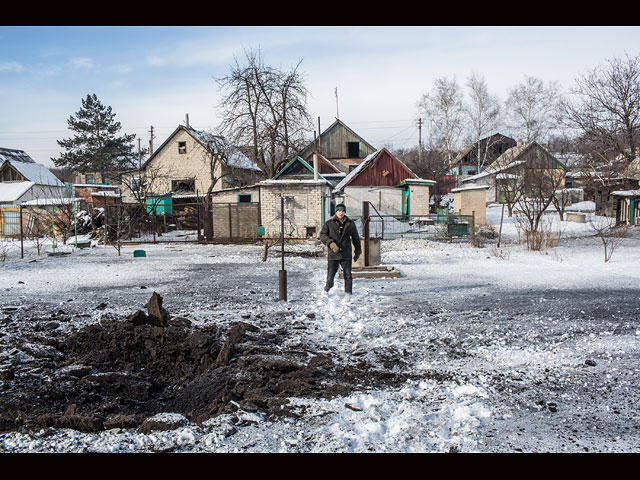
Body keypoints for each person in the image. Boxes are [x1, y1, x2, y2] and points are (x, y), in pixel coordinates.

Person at [319, 203, 362, 294]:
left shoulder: (350, 224)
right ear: (336, 212)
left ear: (344, 212)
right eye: (339, 211)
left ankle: (348, 294)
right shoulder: (329, 223)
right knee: (330, 276)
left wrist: (357, 251)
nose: (340, 213)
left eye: (342, 211)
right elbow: (322, 235)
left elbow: (356, 238)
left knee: (348, 276)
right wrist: (331, 243)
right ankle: (326, 290)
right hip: (333, 254)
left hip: (346, 254)